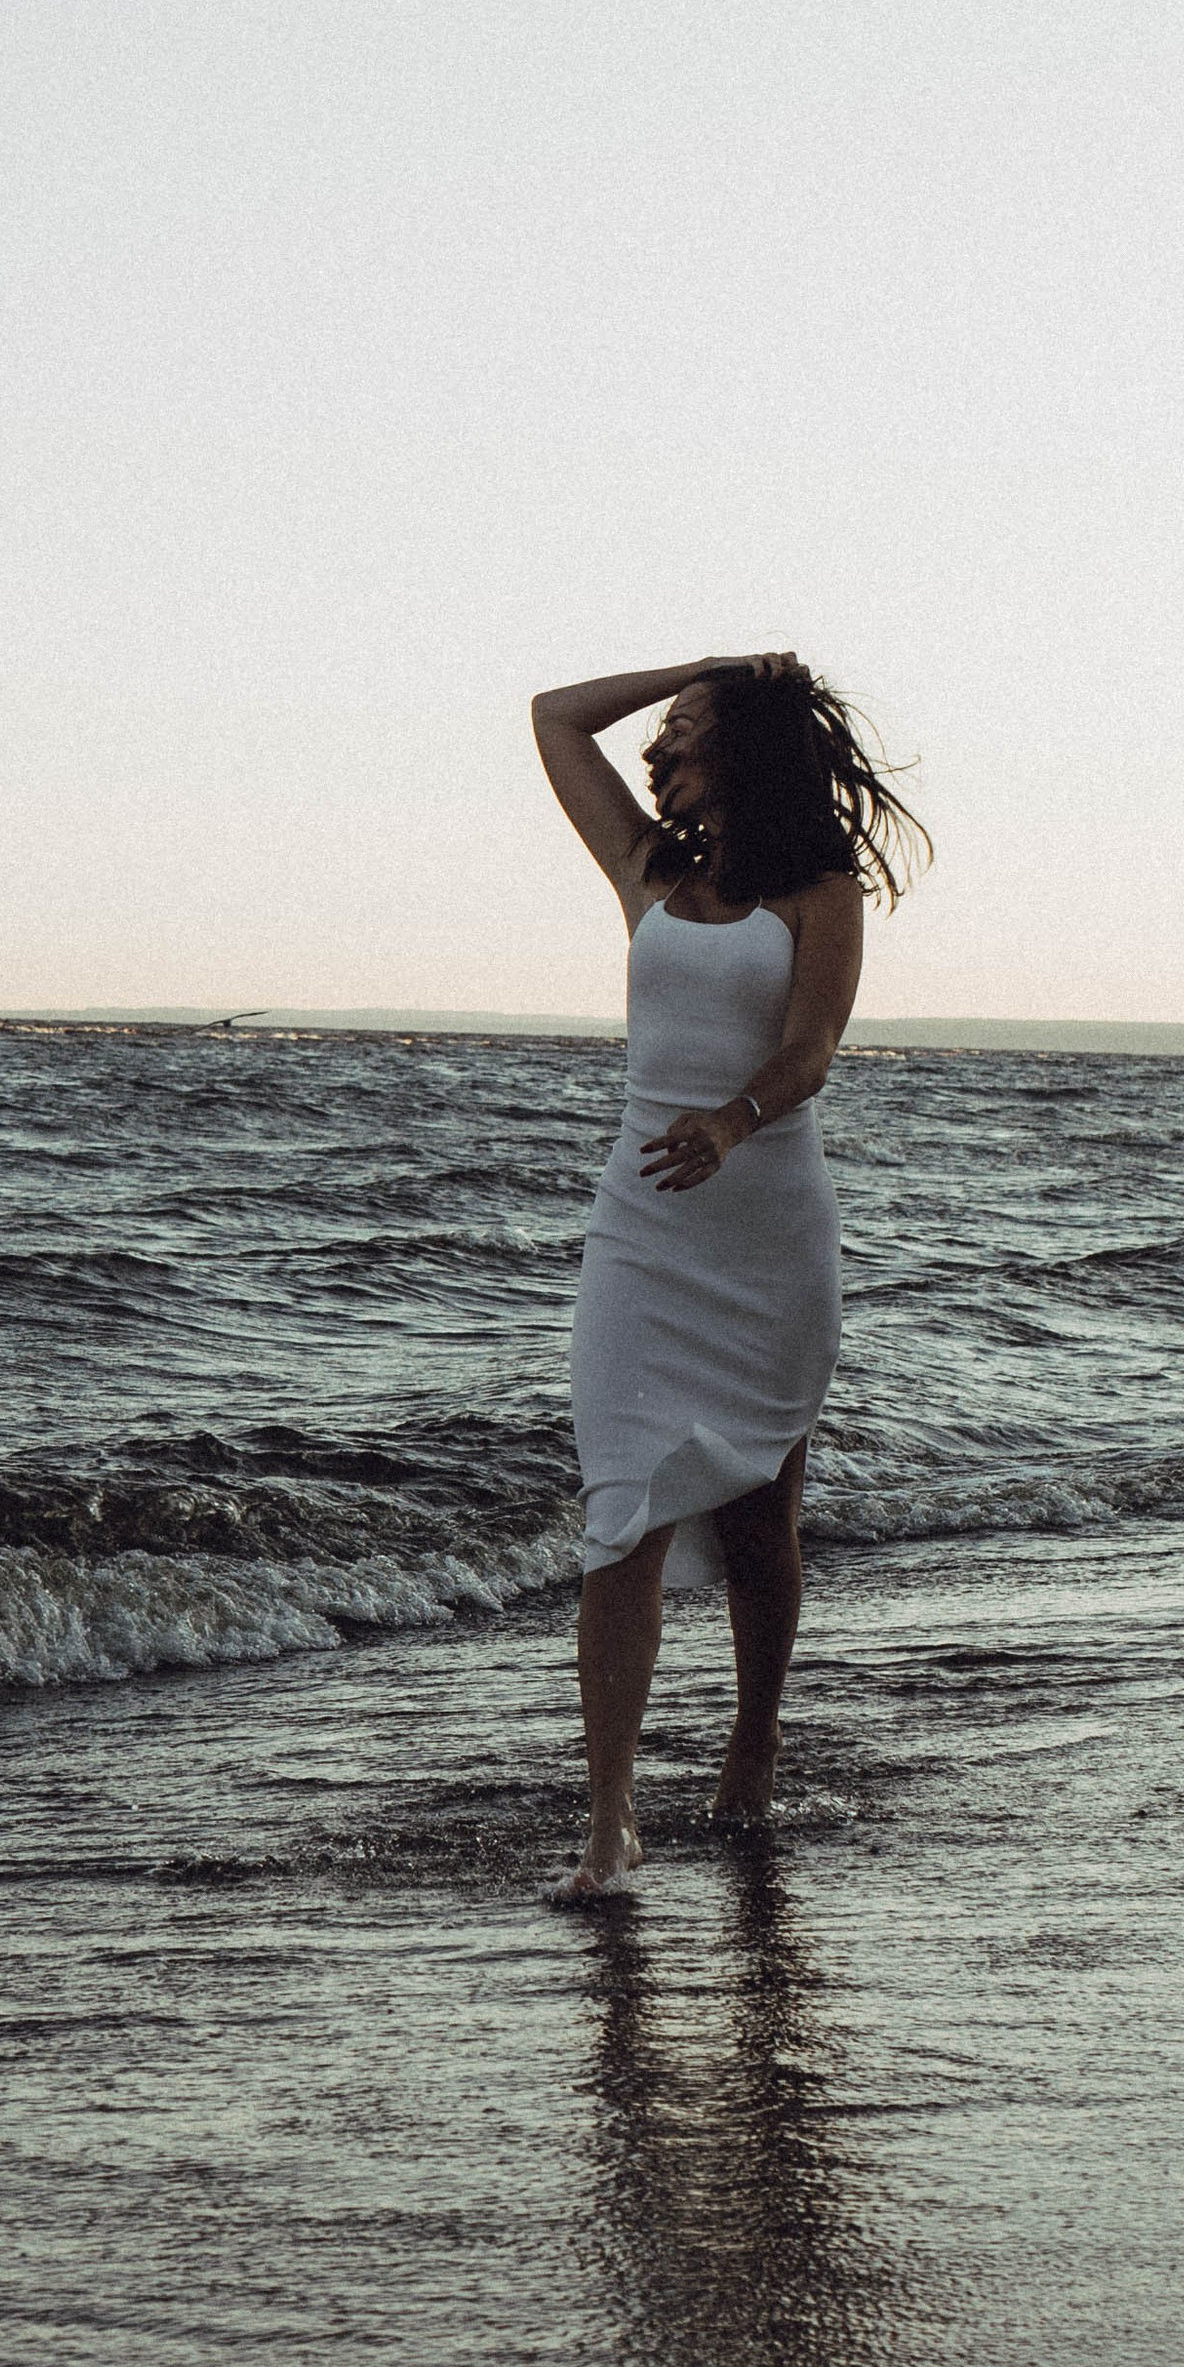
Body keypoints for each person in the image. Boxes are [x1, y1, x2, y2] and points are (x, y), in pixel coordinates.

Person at [531, 653, 923, 1900]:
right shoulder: (645, 868)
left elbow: (810, 1053)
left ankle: (752, 1743)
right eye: (665, 731)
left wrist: (731, 1121)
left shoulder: (819, 890)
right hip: (641, 1233)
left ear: (746, 750)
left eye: (687, 729)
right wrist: (702, 663)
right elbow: (553, 718)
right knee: (619, 1513)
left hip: (763, 1231)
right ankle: (610, 1823)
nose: (660, 747)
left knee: (761, 1522)